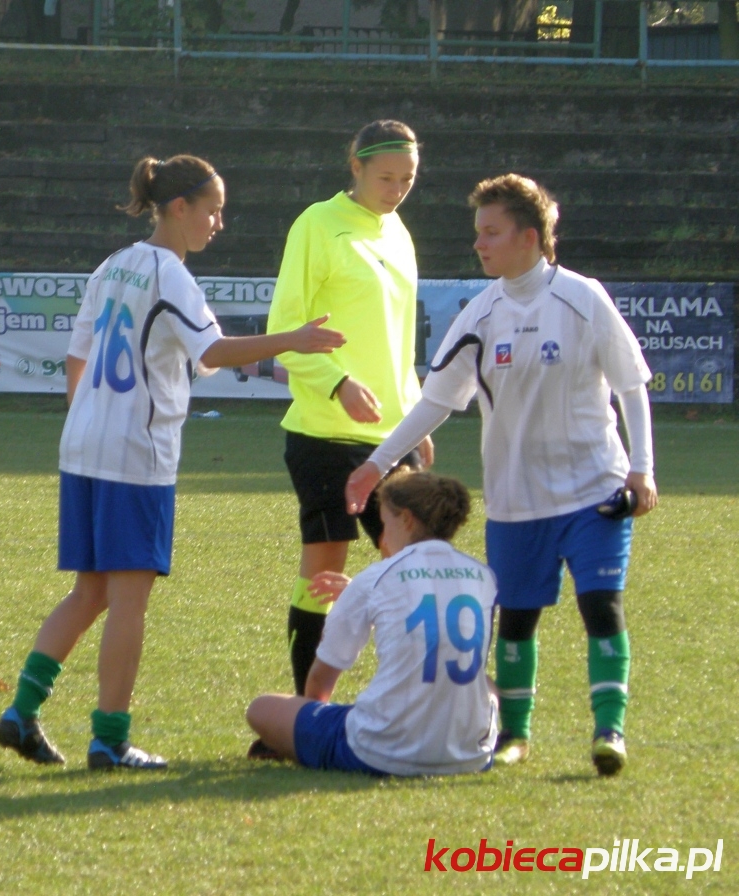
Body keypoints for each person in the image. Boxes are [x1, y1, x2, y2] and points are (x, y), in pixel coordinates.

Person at [0, 154, 345, 771]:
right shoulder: (169, 273)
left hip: (84, 446)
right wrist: (294, 338)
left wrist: (91, 418)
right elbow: (216, 351)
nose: (218, 223)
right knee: (128, 599)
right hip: (135, 454)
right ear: (179, 207)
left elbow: (77, 357)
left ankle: (21, 712)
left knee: (89, 592)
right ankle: (109, 739)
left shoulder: (113, 264)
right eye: (213, 210)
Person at [346, 173, 658, 776]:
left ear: (529, 238)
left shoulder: (583, 298)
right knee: (515, 620)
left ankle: (609, 731)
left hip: (595, 489)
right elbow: (437, 402)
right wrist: (375, 464)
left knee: (602, 605)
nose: (479, 244)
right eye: (478, 232)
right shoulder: (481, 313)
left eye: (491, 232)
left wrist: (641, 469)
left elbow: (631, 384)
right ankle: (515, 735)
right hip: (517, 500)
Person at [265, 119, 433, 699]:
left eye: (407, 178)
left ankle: (409, 702)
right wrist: (337, 384)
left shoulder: (399, 232)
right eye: (386, 177)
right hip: (324, 435)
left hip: (393, 436)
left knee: (414, 566)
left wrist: (416, 413)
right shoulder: (318, 224)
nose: (397, 189)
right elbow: (286, 328)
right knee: (323, 571)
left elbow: (399, 339)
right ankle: (309, 711)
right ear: (355, 166)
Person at [246, 470, 498, 776]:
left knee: (261, 708)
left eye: (385, 523)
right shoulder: (482, 575)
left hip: (381, 752)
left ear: (406, 520)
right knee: (485, 682)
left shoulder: (377, 578)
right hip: (471, 755)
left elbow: (321, 679)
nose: (383, 537)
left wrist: (307, 724)